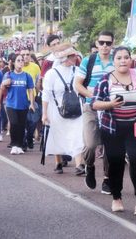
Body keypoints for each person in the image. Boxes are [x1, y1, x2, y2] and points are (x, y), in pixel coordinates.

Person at [92, 46, 136, 216]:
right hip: (113, 128)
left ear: (131, 60)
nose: (123, 61)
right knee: (116, 162)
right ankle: (116, 197)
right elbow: (94, 103)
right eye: (119, 58)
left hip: (135, 126)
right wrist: (110, 104)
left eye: (126, 57)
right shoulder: (106, 80)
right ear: (114, 61)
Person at [74, 31, 115, 192]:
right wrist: (93, 96)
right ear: (96, 44)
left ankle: (107, 178)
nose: (105, 46)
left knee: (110, 145)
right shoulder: (88, 60)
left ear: (113, 44)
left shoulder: (116, 60)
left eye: (108, 43)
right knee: (90, 144)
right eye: (102, 42)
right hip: (90, 107)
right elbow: (78, 84)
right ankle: (89, 166)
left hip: (111, 109)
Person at [42, 44, 85, 175]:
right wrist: (44, 113)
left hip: (77, 108)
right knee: (57, 135)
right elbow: (46, 93)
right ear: (66, 57)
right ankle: (58, 162)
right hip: (56, 110)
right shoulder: (51, 74)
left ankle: (79, 164)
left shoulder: (78, 71)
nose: (75, 57)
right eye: (72, 56)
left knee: (78, 135)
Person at [0, 53, 35, 155]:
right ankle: (14, 145)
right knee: (14, 123)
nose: (20, 62)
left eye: (22, 60)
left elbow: (31, 90)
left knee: (21, 125)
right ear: (14, 63)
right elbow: (2, 88)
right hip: (11, 104)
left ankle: (19, 145)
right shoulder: (8, 74)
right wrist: (4, 83)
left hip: (23, 104)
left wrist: (31, 103)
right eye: (18, 60)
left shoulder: (27, 76)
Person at [20, 47, 41, 150]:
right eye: (23, 55)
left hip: (33, 98)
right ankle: (23, 143)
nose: (25, 57)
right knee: (22, 122)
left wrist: (40, 91)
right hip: (21, 99)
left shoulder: (35, 67)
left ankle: (29, 137)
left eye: (27, 54)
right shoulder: (17, 67)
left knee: (33, 121)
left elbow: (38, 81)